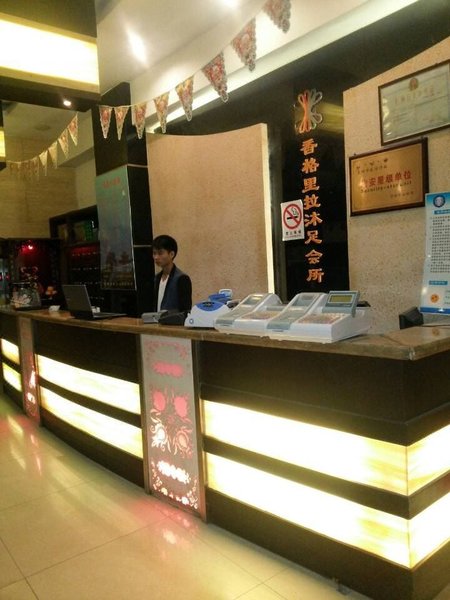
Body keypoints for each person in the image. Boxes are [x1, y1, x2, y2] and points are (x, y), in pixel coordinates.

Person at [152, 234, 192, 313]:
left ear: (171, 254)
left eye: (160, 253)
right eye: (154, 253)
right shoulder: (157, 278)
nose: (156, 257)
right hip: (157, 320)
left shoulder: (182, 278)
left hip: (173, 320)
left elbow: (185, 309)